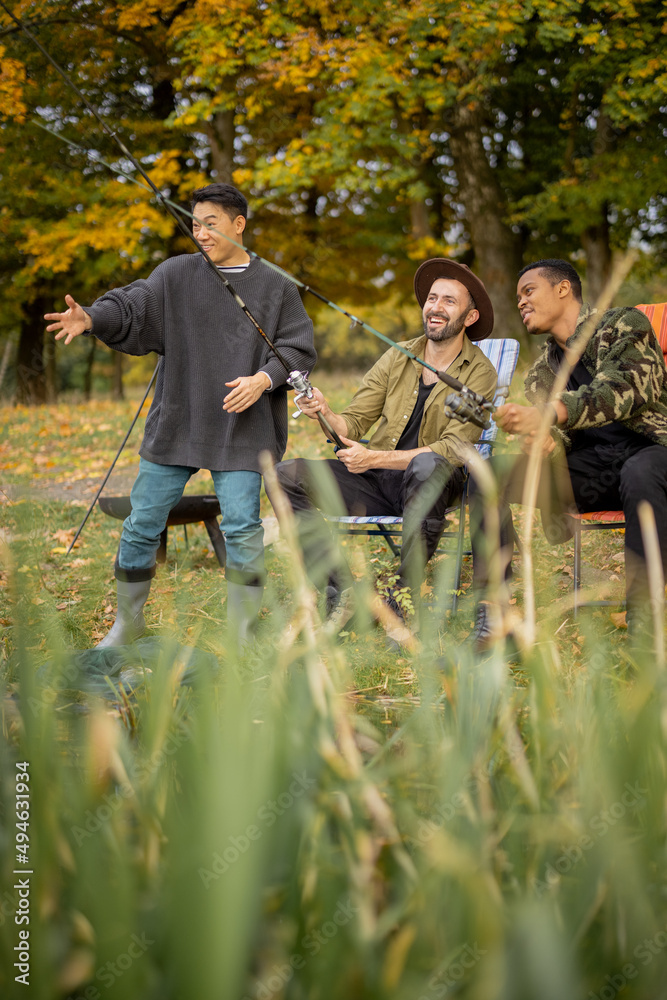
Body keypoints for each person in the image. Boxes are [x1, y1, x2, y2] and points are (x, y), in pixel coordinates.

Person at [45, 182, 316, 648]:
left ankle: (243, 635)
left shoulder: (275, 286)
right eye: (195, 224)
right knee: (143, 519)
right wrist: (91, 318)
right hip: (180, 416)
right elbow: (133, 305)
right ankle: (126, 626)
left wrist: (263, 380)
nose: (201, 233)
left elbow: (297, 349)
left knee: (242, 528)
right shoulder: (175, 274)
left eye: (211, 224)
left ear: (239, 224)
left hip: (243, 426)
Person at [272, 258, 497, 624]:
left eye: (449, 301)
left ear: (470, 317)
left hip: (436, 483)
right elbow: (355, 423)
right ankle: (340, 592)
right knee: (284, 475)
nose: (436, 308)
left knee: (427, 466)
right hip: (378, 481)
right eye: (432, 298)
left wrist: (374, 459)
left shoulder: (481, 372)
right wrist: (326, 411)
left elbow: (453, 449)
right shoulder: (398, 355)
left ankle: (399, 601)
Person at [469, 258, 667, 649]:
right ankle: (496, 615)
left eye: (529, 291)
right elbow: (560, 442)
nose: (521, 302)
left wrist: (549, 414)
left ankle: (644, 622)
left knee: (640, 471)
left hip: (652, 457)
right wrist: (546, 446)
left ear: (563, 289)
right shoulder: (540, 374)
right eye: (518, 297)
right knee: (485, 474)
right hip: (591, 473)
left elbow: (625, 387)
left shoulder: (624, 324)